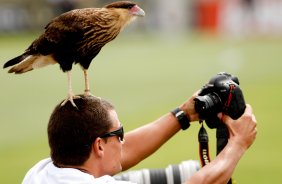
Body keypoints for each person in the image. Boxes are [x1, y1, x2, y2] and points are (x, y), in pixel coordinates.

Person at [22, 93, 257, 184]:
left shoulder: (39, 173)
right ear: (99, 145)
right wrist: (238, 143)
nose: (123, 142)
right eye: (119, 135)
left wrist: (183, 115)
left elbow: (124, 151)